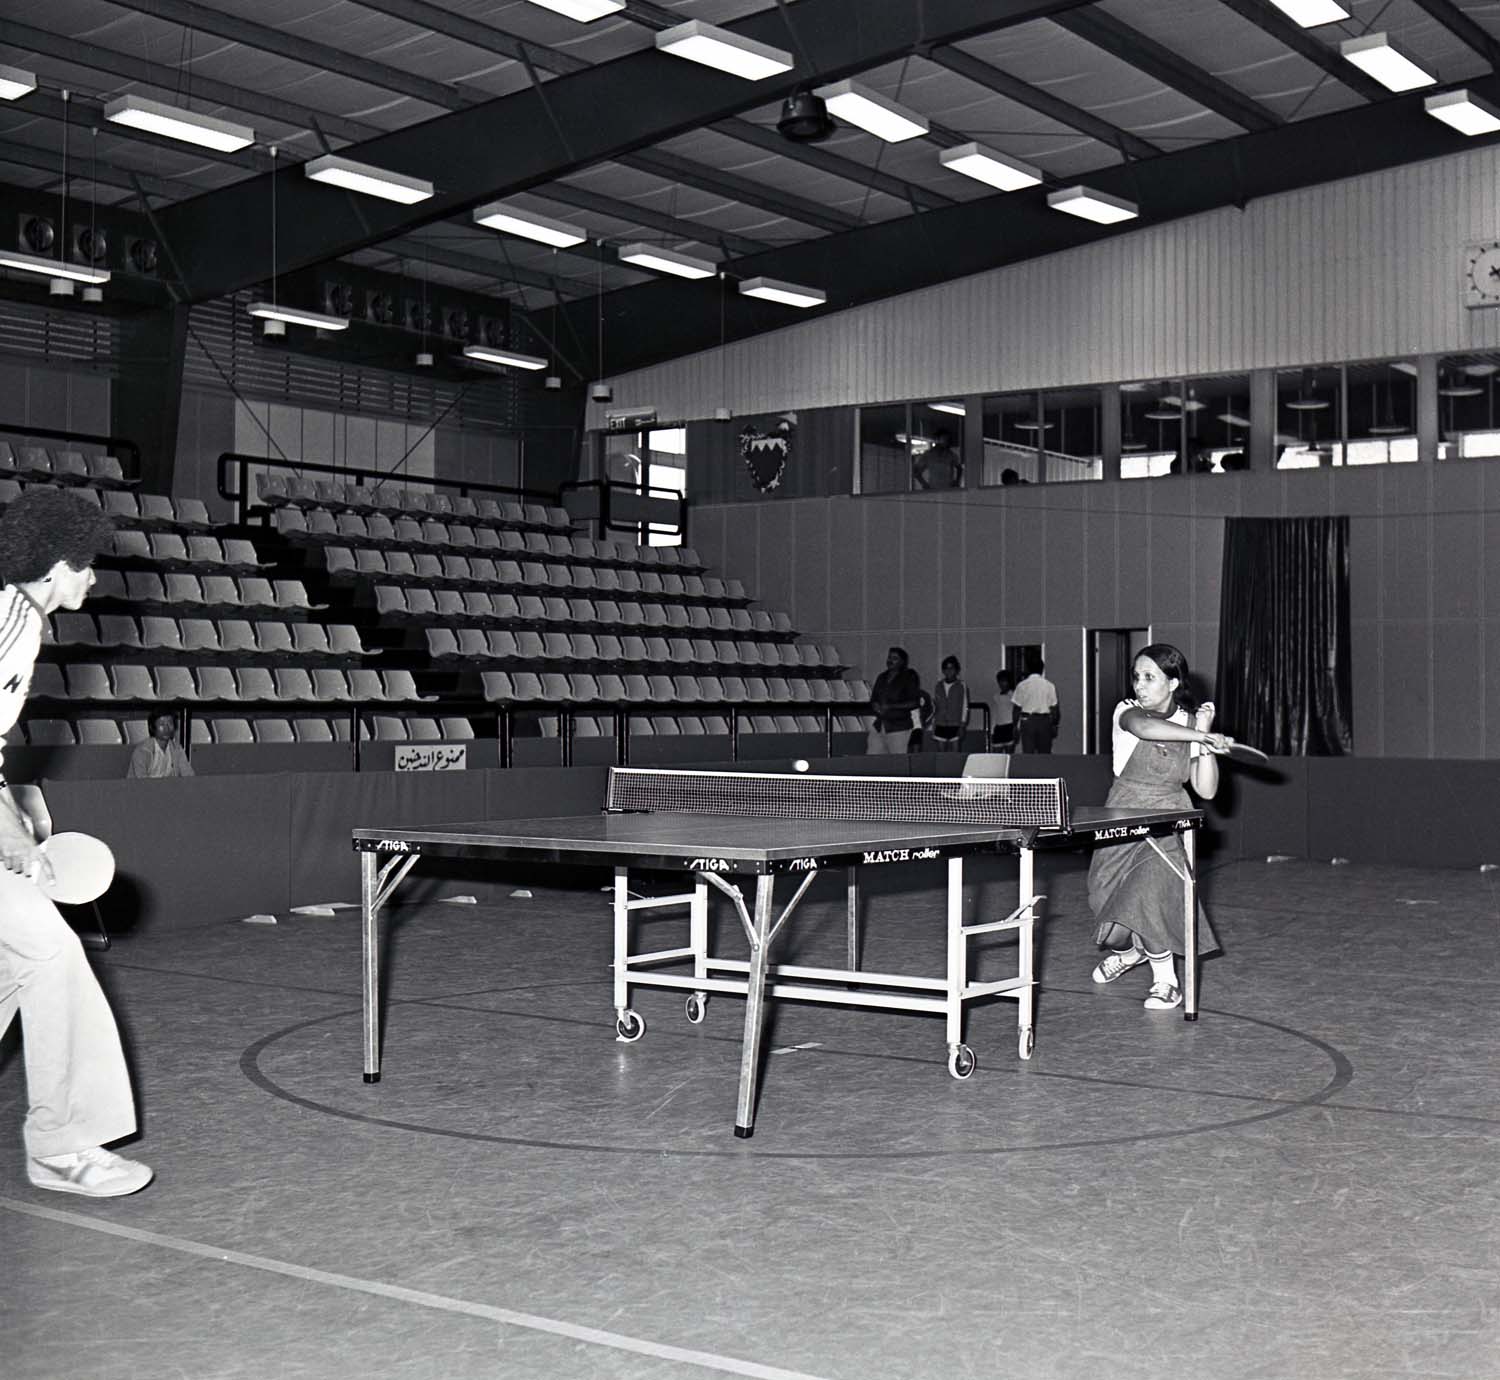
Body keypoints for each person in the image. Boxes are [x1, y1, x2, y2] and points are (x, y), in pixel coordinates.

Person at [0, 487, 152, 1197]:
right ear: (56, 566)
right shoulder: (9, 621)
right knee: (51, 952)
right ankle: (63, 1146)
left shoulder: (18, 618)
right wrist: (11, 836)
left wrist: (15, 813)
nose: (92, 578)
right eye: (86, 563)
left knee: (22, 963)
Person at [1088, 643, 1230, 1011]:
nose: (1140, 684)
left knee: (1149, 892)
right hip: (1121, 815)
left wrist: (1204, 736)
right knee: (1110, 921)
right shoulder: (1127, 711)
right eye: (1137, 676)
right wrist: (1201, 735)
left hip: (1169, 818)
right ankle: (1130, 952)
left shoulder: (1190, 723)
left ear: (1173, 682)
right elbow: (1147, 729)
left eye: (1150, 677)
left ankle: (1166, 982)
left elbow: (1206, 789)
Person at [867, 646, 920, 755]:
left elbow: (914, 702)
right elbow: (874, 698)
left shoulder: (908, 677)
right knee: (872, 757)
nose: (890, 660)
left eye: (895, 658)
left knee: (897, 760)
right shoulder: (881, 677)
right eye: (889, 657)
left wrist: (891, 706)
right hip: (879, 725)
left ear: (902, 662)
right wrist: (875, 705)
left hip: (899, 727)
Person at [1012, 652, 1059, 753]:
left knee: (1028, 753)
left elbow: (1016, 708)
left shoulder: (1022, 685)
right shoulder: (1049, 685)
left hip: (1027, 721)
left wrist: (1015, 726)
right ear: (1042, 669)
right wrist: (1054, 724)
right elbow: (1055, 709)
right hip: (1044, 721)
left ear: (1028, 669)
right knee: (1044, 753)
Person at [127, 709, 195, 779]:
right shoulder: (142, 751)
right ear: (152, 727)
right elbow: (141, 780)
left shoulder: (177, 749)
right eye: (162, 724)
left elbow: (189, 775)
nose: (167, 728)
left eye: (170, 723)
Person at [929, 656, 969, 753]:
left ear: (957, 670)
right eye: (946, 668)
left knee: (955, 754)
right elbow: (935, 706)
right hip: (940, 723)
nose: (949, 671)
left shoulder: (961, 685)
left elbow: (965, 706)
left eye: (952, 668)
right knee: (941, 754)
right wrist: (933, 725)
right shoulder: (938, 685)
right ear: (943, 670)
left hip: (955, 723)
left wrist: (962, 725)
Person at [989, 670, 1016, 751]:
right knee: (996, 753)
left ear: (1008, 682)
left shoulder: (1014, 696)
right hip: (998, 728)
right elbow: (994, 714)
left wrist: (1016, 728)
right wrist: (992, 731)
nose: (1002, 683)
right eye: (1000, 681)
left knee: (1009, 754)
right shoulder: (996, 696)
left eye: (1004, 681)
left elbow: (1017, 712)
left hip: (1009, 727)